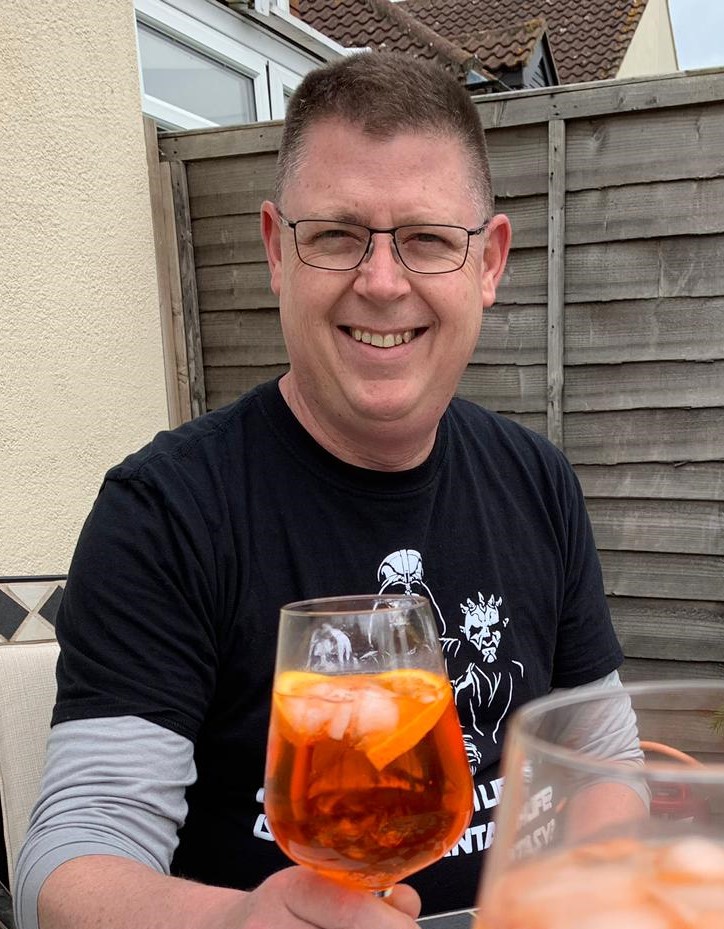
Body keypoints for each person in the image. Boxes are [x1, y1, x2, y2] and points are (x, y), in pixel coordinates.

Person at [14, 50, 632, 929]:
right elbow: (71, 859)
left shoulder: (538, 481)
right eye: (337, 235)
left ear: (488, 263)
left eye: (427, 238)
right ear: (277, 250)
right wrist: (233, 925)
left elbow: (606, 760)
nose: (381, 282)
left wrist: (599, 890)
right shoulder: (165, 510)